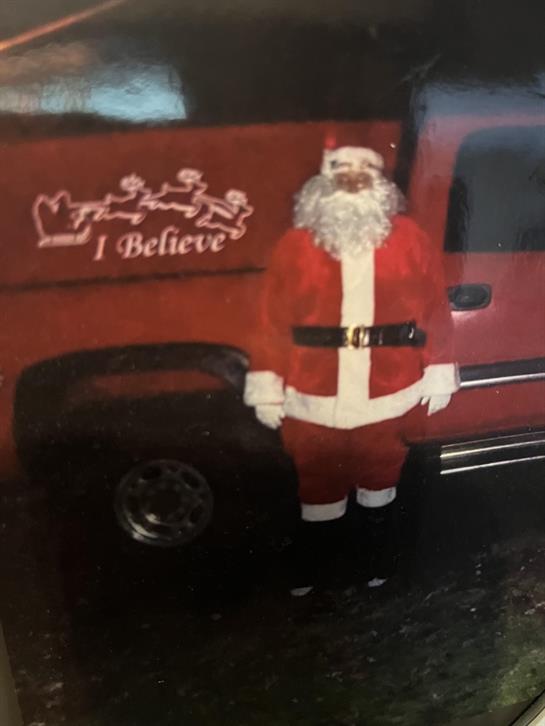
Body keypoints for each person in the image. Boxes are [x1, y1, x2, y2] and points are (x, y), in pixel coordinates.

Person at [244, 139, 459, 596]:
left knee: (381, 480)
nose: (353, 173)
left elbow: (434, 308)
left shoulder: (410, 239)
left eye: (365, 165)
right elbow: (272, 319)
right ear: (324, 176)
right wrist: (266, 383)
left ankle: (374, 564)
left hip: (388, 387)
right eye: (342, 165)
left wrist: (439, 368)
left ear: (380, 178)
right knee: (317, 485)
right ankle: (317, 569)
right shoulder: (295, 244)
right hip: (313, 390)